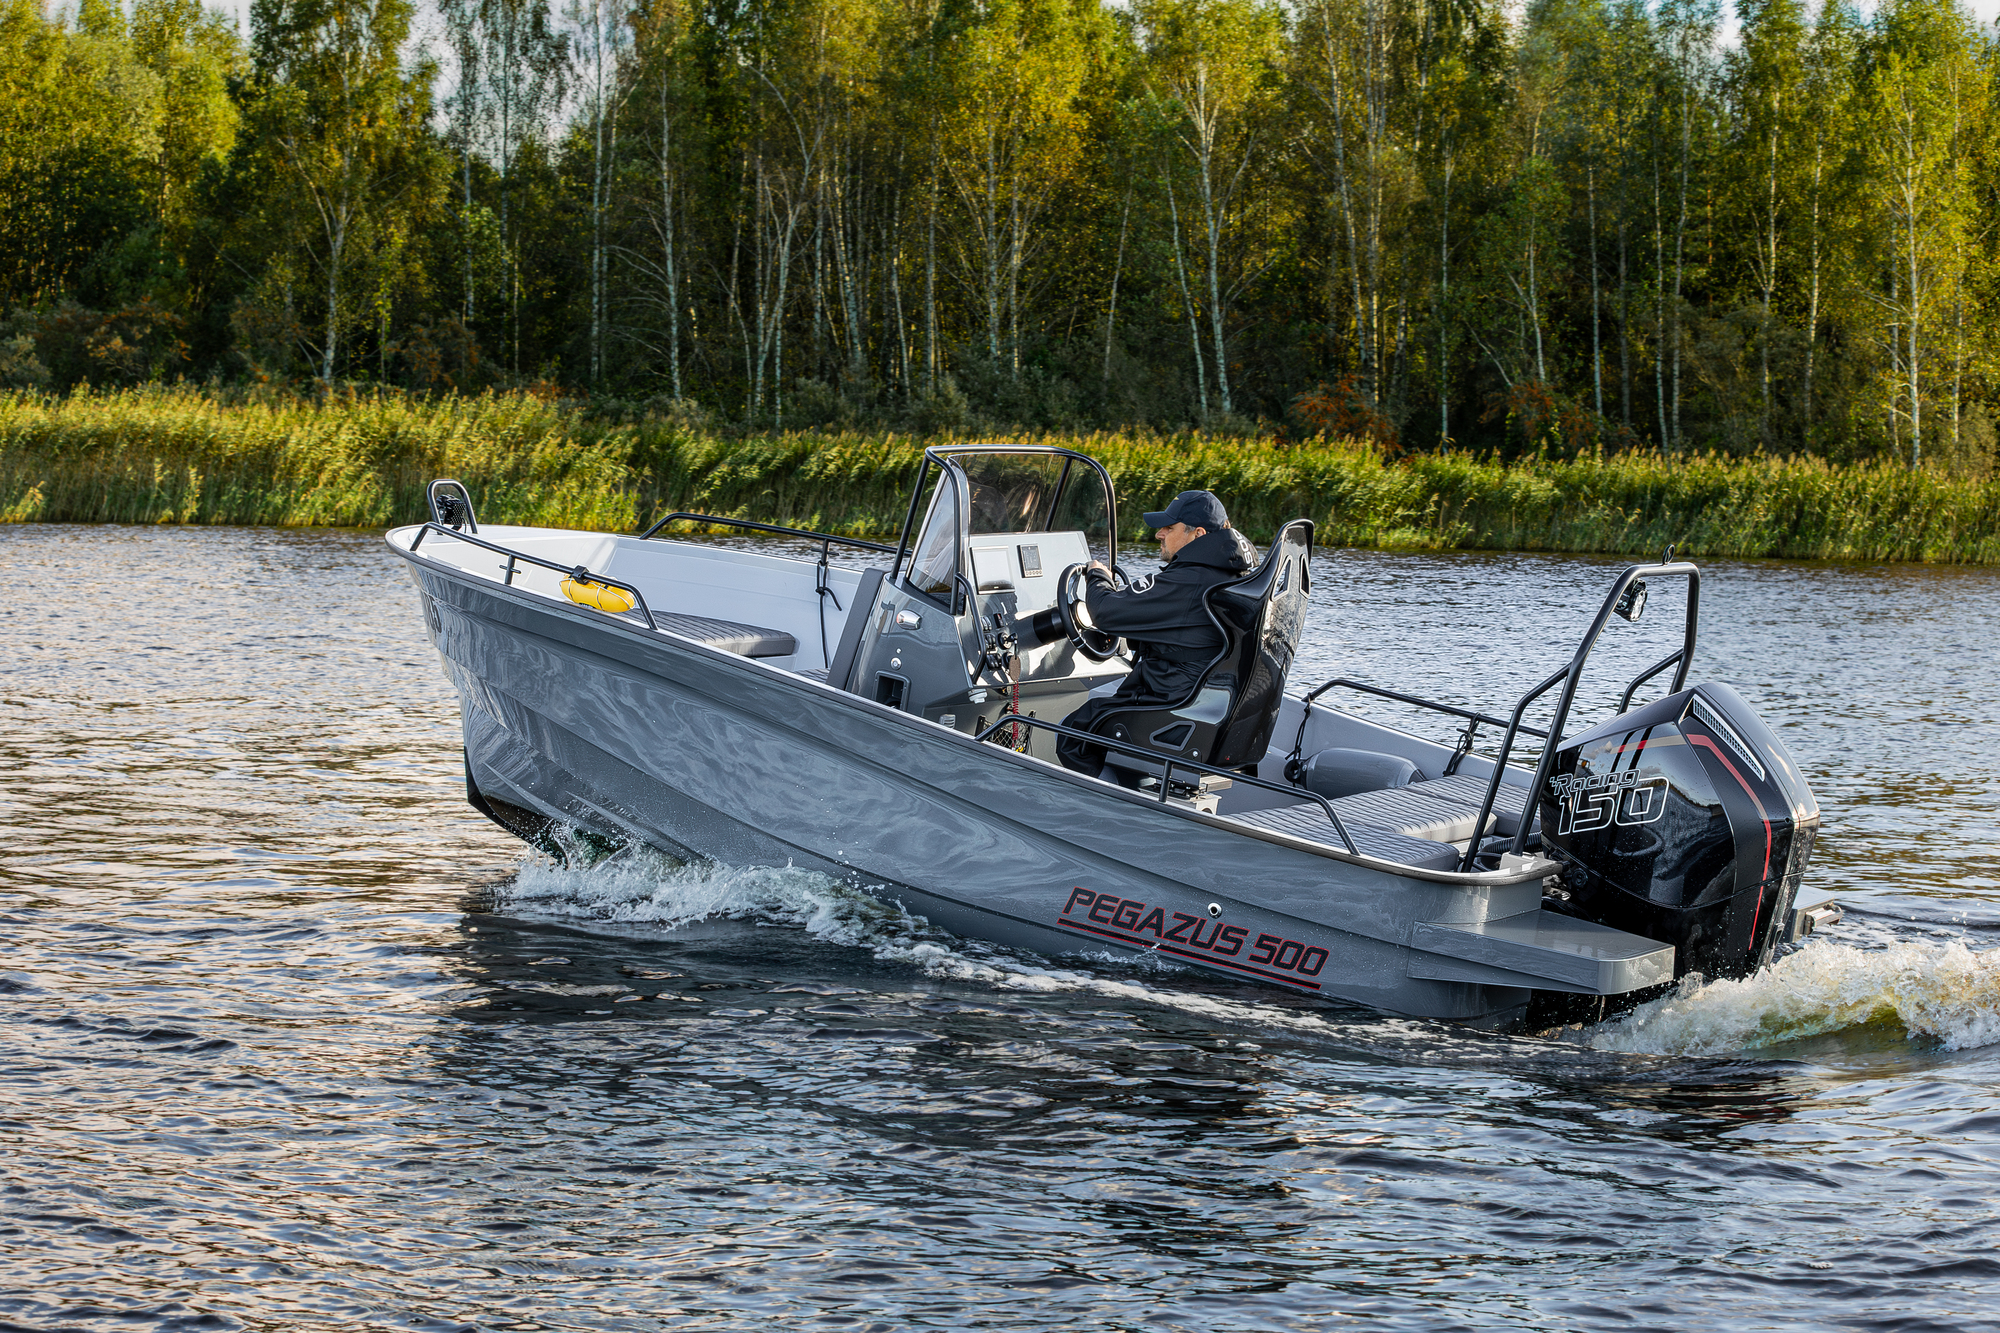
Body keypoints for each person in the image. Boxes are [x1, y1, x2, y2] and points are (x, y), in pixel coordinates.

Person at [1055, 490, 1257, 775]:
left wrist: (1098, 575)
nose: (1158, 534)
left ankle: (1101, 800)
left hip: (1171, 700)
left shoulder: (1189, 579)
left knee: (1073, 732)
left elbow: (1105, 612)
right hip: (1207, 703)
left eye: (1169, 528)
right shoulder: (1236, 575)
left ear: (1198, 534)